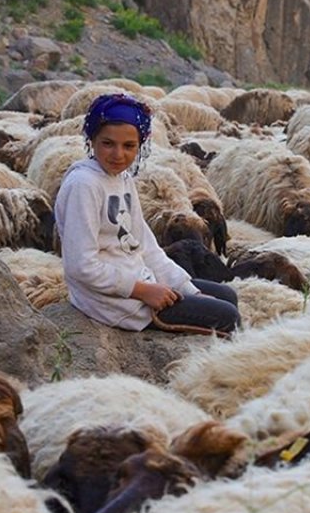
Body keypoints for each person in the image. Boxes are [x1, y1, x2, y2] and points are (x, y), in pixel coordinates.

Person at [55, 93, 240, 336]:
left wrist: (187, 288)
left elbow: (146, 247)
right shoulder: (84, 185)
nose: (118, 154)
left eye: (129, 146)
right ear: (92, 139)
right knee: (228, 316)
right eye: (108, 143)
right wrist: (143, 291)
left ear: (141, 145)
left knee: (226, 295)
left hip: (138, 280)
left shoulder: (122, 179)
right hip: (112, 301)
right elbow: (80, 266)